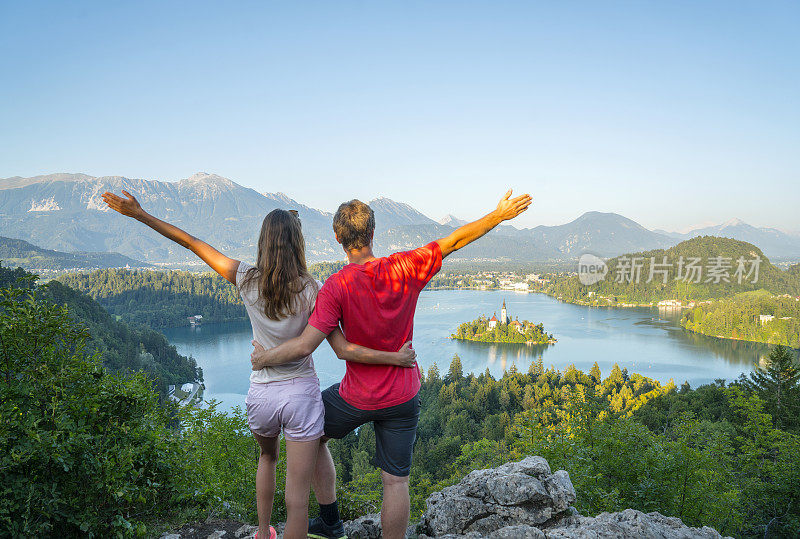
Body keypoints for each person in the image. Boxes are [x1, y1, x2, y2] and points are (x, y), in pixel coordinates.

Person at [100, 191, 416, 539]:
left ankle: (263, 531)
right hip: (300, 398)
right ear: (299, 245)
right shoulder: (313, 290)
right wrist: (394, 358)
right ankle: (317, 527)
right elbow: (341, 347)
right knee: (297, 503)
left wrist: (140, 214)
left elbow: (191, 243)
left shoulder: (246, 279)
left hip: (262, 395)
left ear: (263, 243)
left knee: (267, 460)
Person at [250, 189, 532, 539]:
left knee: (312, 432)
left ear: (338, 238)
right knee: (396, 482)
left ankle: (330, 521)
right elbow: (456, 240)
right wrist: (499, 214)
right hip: (402, 396)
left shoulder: (335, 287)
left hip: (355, 397)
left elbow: (307, 344)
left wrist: (263, 358)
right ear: (372, 234)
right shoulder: (405, 266)